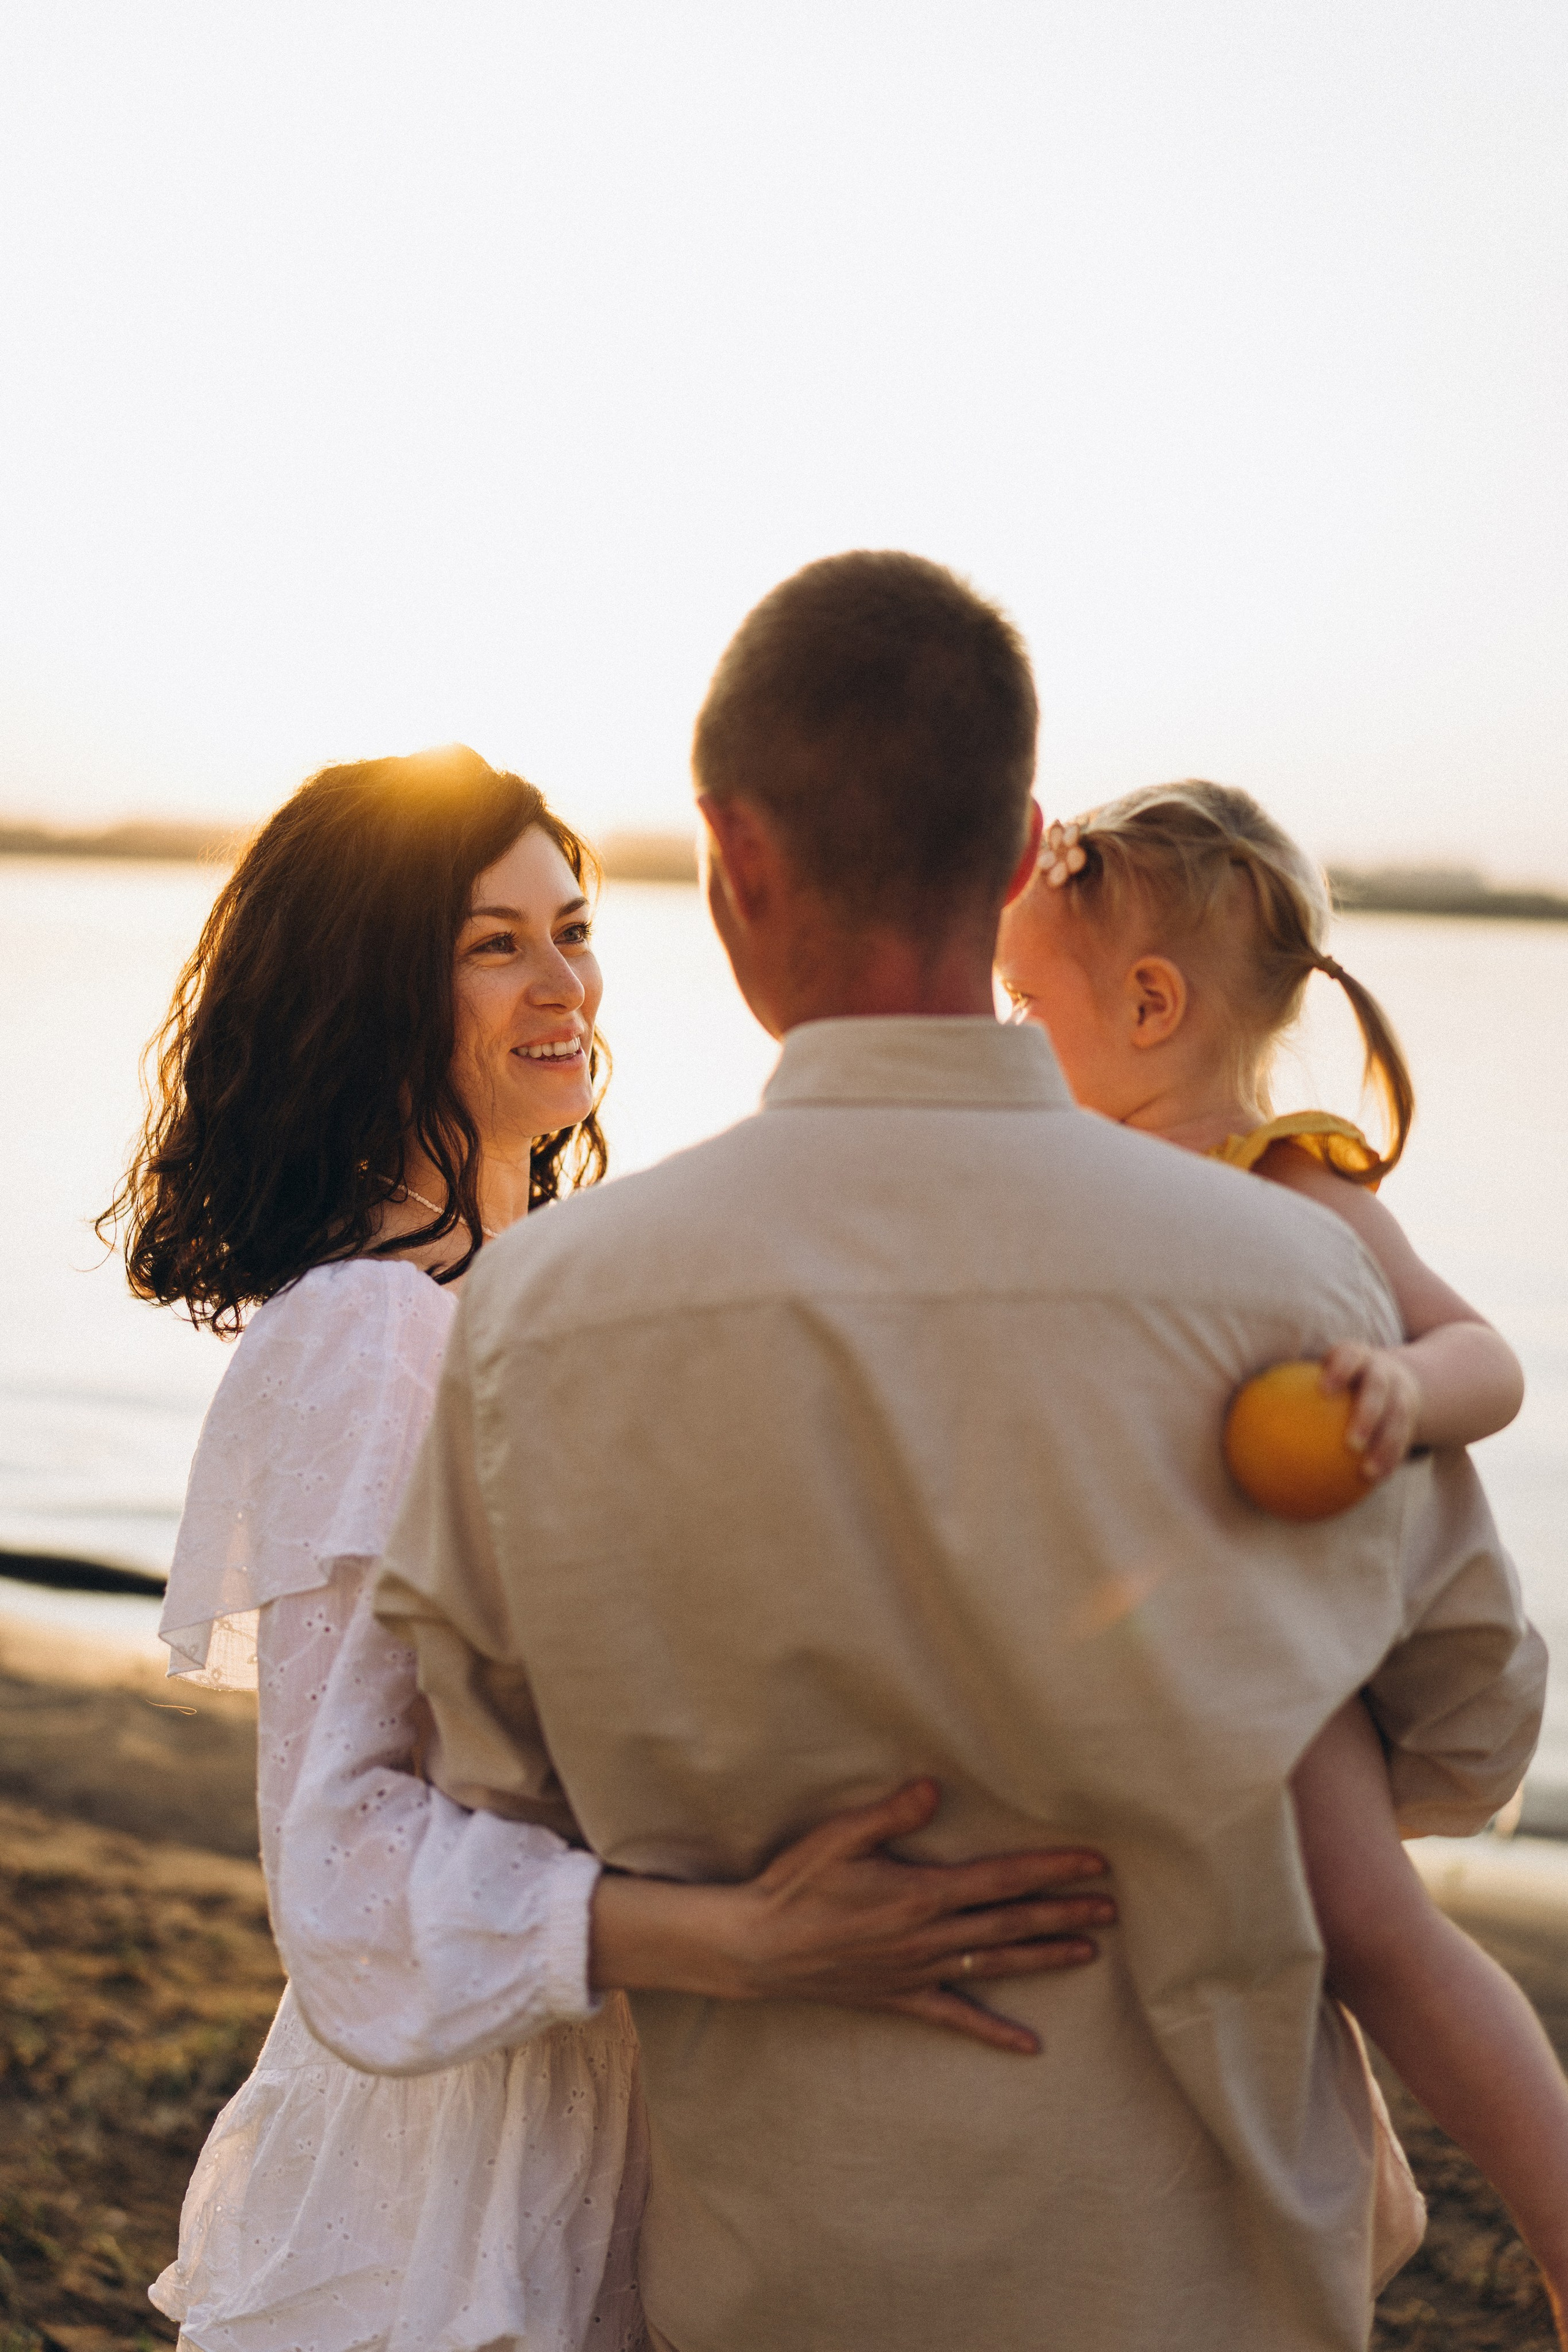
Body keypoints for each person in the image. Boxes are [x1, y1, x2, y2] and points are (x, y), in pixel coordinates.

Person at [371, 555, 1547, 2352]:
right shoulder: (1296, 1279)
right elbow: (1467, 1729)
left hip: (786, 2280)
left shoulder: (541, 1316)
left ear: (728, 859)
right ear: (1016, 858)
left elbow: (491, 1787)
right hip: (1201, 2278)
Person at [101, 744, 1117, 2352]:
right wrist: (744, 1938)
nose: (561, 978)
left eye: (572, 927)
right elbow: (342, 1863)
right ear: (369, 991)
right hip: (467, 2173)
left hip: (644, 2104)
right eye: (491, 943)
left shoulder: (555, 1287)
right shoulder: (374, 1334)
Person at [997, 777, 1568, 2329]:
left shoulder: (1287, 1179)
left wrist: (1399, 1387)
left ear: (1149, 1001)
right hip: (1156, 1644)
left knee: (1370, 1926)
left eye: (1020, 1002)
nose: (1004, 1034)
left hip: (1282, 1653)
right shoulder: (1075, 1177)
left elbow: (1487, 1362)